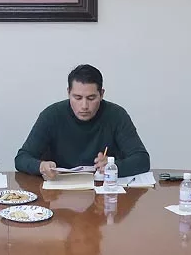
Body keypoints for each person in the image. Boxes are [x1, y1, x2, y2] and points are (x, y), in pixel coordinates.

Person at [15, 64, 150, 179]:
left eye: (91, 98)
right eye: (77, 98)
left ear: (101, 94)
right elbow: (22, 158)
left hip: (102, 190)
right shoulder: (51, 115)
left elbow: (142, 160)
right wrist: (40, 166)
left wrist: (113, 166)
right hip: (60, 191)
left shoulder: (116, 115)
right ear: (68, 93)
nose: (84, 106)